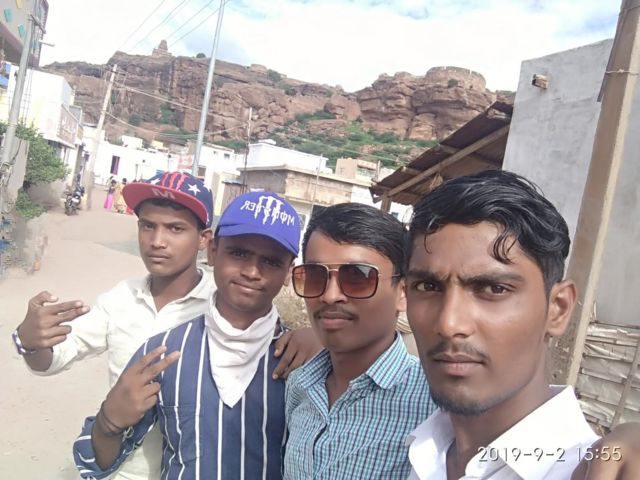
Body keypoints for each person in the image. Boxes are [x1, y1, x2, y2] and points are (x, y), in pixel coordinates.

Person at [13, 174, 318, 480]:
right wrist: (31, 343)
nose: (158, 241)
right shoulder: (128, 306)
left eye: (175, 228)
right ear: (216, 251)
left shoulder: (242, 311)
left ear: (205, 240)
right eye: (148, 225)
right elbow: (56, 359)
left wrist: (318, 338)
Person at [404, 169, 599, 479]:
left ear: (558, 309)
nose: (449, 323)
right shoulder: (424, 452)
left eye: (494, 289)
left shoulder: (587, 469)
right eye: (428, 287)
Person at [284, 203, 436, 479]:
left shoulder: (433, 403)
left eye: (358, 277)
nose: (330, 296)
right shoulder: (299, 385)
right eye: (315, 277)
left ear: (403, 292)